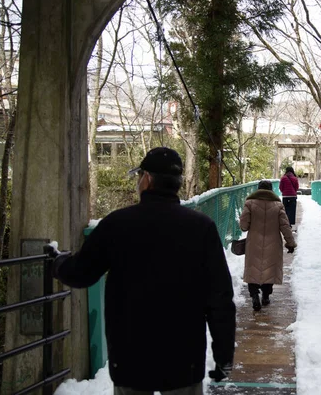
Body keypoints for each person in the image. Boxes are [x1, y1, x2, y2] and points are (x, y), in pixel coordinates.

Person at [52, 147, 236, 395]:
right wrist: (223, 355)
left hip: (130, 360)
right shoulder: (201, 227)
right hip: (184, 359)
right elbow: (220, 297)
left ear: (147, 179)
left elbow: (82, 273)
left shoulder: (117, 225)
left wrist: (59, 262)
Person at [239, 180, 296, 311]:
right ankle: (265, 296)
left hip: (253, 243)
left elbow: (243, 226)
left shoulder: (249, 204)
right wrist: (290, 243)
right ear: (271, 190)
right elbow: (285, 227)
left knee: (253, 269)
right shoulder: (278, 205)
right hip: (273, 243)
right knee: (269, 270)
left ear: (258, 189)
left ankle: (254, 296)